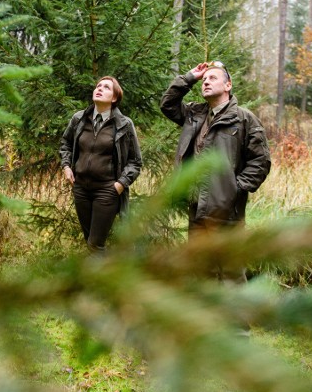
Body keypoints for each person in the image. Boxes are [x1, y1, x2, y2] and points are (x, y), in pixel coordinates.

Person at [160, 61, 271, 253]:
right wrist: (189, 77)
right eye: (204, 80)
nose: (206, 82)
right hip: (196, 207)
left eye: (212, 78)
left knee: (230, 271)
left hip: (226, 211)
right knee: (201, 268)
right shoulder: (194, 114)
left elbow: (261, 161)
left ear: (228, 85)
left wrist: (235, 189)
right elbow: (167, 105)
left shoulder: (244, 119)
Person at [60, 76, 142, 253]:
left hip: (106, 191)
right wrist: (67, 167)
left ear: (114, 98)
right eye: (98, 86)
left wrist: (120, 185)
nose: (99, 88)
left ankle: (106, 279)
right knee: (90, 242)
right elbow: (65, 143)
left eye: (106, 87)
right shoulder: (79, 119)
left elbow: (135, 161)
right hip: (80, 189)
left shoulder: (124, 125)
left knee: (95, 244)